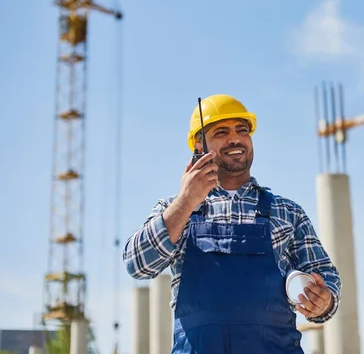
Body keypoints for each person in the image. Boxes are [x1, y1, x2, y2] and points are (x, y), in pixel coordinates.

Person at [122, 94, 342, 354]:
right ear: (199, 145)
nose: (235, 138)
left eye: (242, 130)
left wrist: (324, 301)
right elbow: (137, 265)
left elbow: (325, 276)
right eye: (221, 132)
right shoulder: (176, 211)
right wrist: (185, 202)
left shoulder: (288, 213)